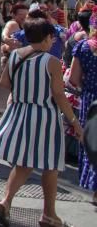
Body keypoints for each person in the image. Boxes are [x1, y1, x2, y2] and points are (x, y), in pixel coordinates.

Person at [0, 17, 84, 226]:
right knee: (50, 164)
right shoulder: (51, 62)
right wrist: (74, 122)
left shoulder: (15, 55)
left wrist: (25, 89)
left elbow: (4, 82)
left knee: (24, 162)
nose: (53, 41)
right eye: (52, 37)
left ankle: (7, 202)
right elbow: (59, 95)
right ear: (46, 38)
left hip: (20, 111)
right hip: (44, 116)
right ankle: (48, 214)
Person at [68, 23, 97, 202]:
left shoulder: (84, 46)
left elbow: (73, 78)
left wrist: (86, 86)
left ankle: (95, 190)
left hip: (91, 99)